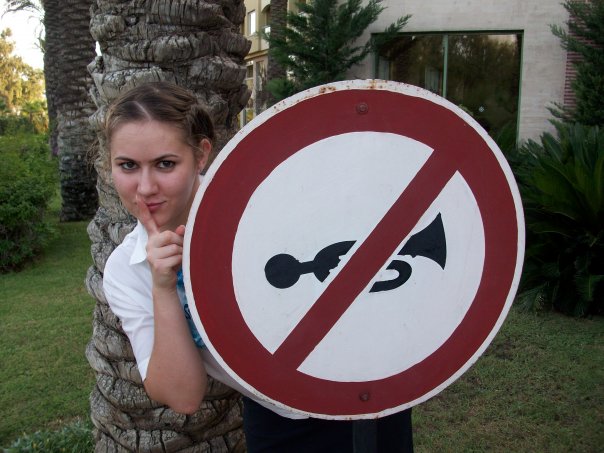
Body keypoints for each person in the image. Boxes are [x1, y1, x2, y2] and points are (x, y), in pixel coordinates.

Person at [102, 81, 413, 452]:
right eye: (128, 166)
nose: (145, 187)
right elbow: (183, 395)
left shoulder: (263, 197)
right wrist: (163, 287)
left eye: (165, 164)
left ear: (201, 155)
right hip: (278, 418)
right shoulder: (127, 270)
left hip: (364, 390)